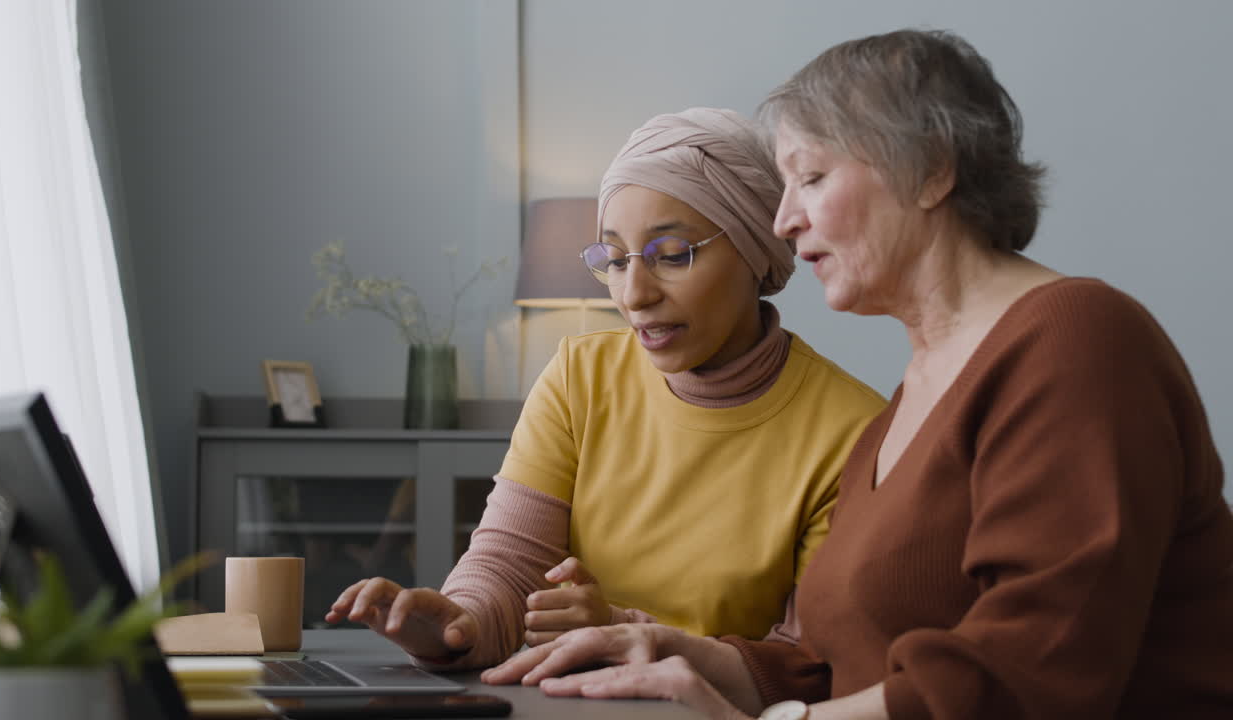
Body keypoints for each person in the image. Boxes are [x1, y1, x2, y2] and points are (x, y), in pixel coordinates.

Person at [482, 29, 1233, 720]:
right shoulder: (907, 406)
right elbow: (832, 668)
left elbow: (1035, 666)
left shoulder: (1076, 340)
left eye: (810, 177)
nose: (783, 221)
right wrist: (675, 651)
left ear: (932, 171)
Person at [326, 107, 887, 670]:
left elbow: (806, 664)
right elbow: (510, 562)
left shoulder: (855, 431)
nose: (634, 294)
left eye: (673, 255)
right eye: (614, 260)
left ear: (755, 249)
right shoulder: (580, 376)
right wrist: (459, 624)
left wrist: (623, 632)